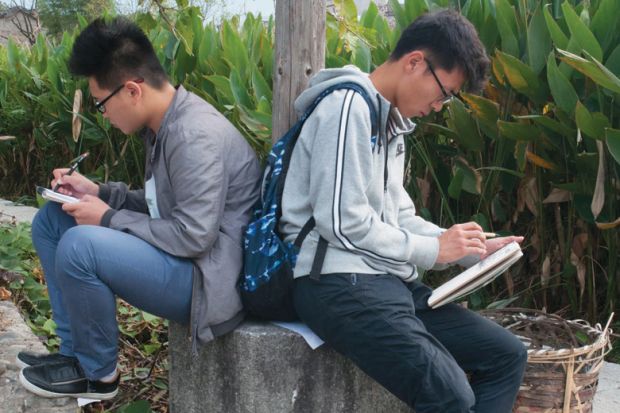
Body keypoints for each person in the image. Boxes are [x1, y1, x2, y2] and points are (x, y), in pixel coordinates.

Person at [280, 10, 527, 413]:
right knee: (451, 395)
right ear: (415, 62)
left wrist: (470, 250)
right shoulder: (347, 107)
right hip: (335, 282)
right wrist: (434, 251)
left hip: (384, 281)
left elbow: (398, 218)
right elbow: (342, 224)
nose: (440, 106)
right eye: (444, 93)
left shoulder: (391, 125)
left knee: (506, 354)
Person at [18, 17, 260, 400]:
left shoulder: (192, 134)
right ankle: (74, 355)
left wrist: (108, 217)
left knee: (80, 245)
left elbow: (194, 235)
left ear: (131, 90)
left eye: (101, 104)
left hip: (209, 281)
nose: (104, 115)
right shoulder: (163, 126)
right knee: (53, 221)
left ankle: (98, 375)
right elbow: (157, 204)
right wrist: (96, 191)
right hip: (189, 262)